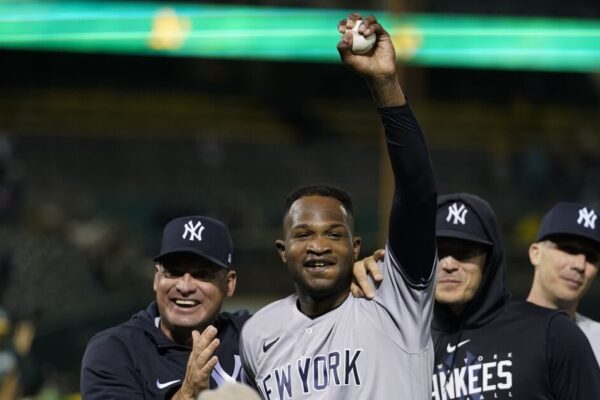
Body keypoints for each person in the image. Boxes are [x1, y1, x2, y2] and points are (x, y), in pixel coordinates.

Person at [240, 13, 438, 399]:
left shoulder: (396, 302)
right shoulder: (257, 333)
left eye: (335, 234)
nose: (319, 246)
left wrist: (385, 84)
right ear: (283, 251)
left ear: (356, 247)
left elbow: (417, 191)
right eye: (303, 234)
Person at [432, 193, 600, 399]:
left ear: (489, 261)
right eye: (438, 252)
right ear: (535, 252)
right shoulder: (409, 341)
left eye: (465, 252)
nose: (449, 264)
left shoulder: (556, 333)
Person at [81, 216, 251, 399]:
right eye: (174, 272)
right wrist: (188, 394)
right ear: (156, 278)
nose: (185, 287)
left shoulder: (252, 337)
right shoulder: (115, 351)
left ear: (229, 284)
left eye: (202, 275)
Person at [527, 202, 600, 365]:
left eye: (591, 257)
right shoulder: (495, 332)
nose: (580, 265)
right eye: (569, 250)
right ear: (535, 254)